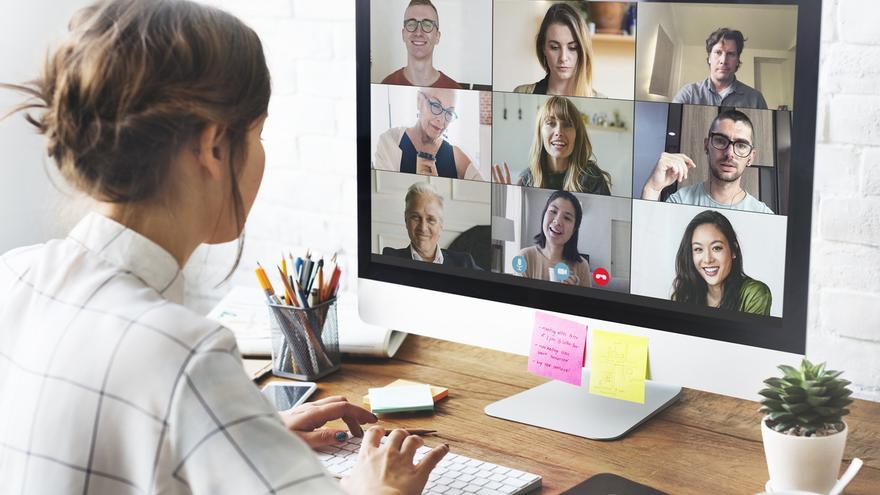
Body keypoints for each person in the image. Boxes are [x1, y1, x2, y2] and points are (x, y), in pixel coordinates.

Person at [0, 1, 447, 493]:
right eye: (258, 133)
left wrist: (241, 436)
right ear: (213, 146)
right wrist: (382, 487)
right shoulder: (184, 356)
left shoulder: (14, 277)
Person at [640, 108, 773, 214]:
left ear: (751, 157)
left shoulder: (764, 215)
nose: (730, 154)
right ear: (706, 145)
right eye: (721, 141)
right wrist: (652, 189)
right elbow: (647, 239)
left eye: (741, 145)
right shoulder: (679, 201)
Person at [492, 96, 611, 195]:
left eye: (568, 124)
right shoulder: (526, 180)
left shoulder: (592, 178)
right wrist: (507, 202)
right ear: (540, 133)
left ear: (577, 134)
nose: (559, 131)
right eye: (551, 123)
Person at [672, 210, 771, 315]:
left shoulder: (754, 293)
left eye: (716, 248)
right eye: (698, 249)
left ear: (733, 250)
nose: (707, 259)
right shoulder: (682, 296)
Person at [373, 87, 483, 180]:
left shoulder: (457, 156)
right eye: (435, 105)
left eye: (449, 112)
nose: (441, 119)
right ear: (419, 101)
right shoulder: (390, 141)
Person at [382, 182, 480, 269]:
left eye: (431, 220)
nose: (423, 227)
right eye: (415, 217)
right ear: (406, 220)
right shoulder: (390, 258)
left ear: (441, 225)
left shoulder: (464, 263)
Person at [513, 3, 600, 97]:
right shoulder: (521, 94)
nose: (563, 58)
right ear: (543, 48)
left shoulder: (601, 101)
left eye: (572, 48)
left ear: (583, 51)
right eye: (554, 47)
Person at [672, 28, 768, 109]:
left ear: (738, 60)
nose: (723, 60)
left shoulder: (756, 99)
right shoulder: (688, 94)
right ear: (709, 58)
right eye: (718, 52)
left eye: (730, 54)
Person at [516, 191, 591, 287]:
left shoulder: (582, 266)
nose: (557, 221)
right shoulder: (524, 257)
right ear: (544, 215)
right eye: (553, 211)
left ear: (574, 229)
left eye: (567, 218)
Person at [381, 0, 460, 89]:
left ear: (437, 36)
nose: (418, 32)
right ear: (403, 34)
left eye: (427, 25)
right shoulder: (386, 86)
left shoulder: (455, 90)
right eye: (411, 24)